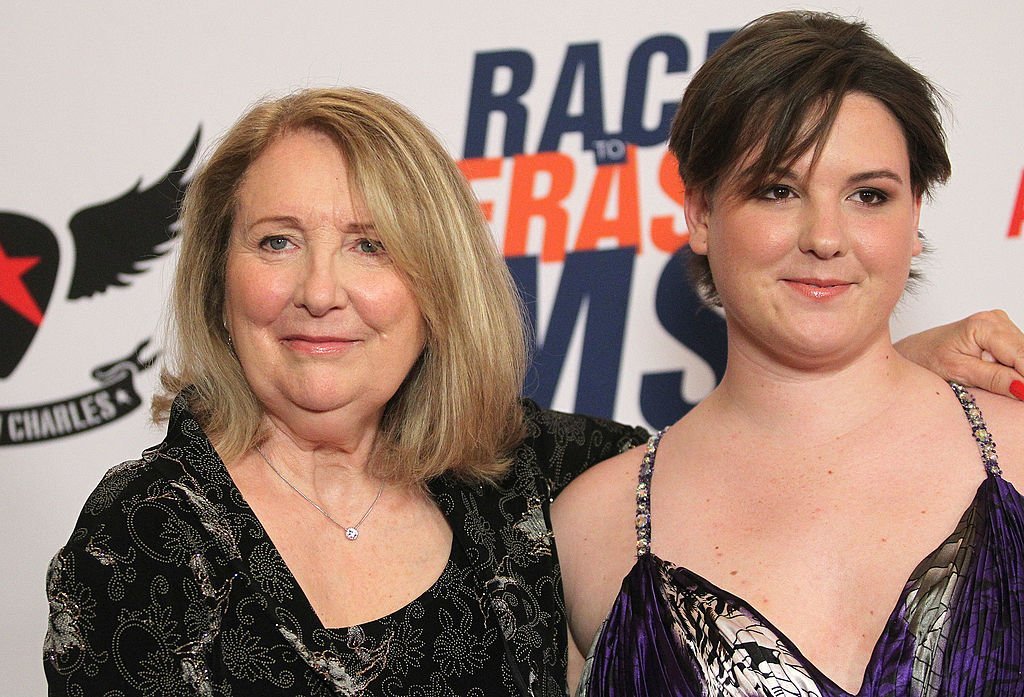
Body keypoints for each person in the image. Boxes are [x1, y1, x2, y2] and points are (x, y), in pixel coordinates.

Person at [43, 86, 1022, 697]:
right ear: (218, 273)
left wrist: (885, 365)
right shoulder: (148, 531)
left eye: (371, 245)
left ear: (434, 281)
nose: (320, 291)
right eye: (276, 241)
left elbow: (744, 451)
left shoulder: (523, 473)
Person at [554, 11, 1024, 696]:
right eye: (779, 190)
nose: (826, 237)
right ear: (702, 214)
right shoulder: (593, 528)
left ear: (915, 216)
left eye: (869, 195)